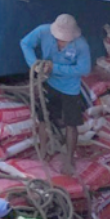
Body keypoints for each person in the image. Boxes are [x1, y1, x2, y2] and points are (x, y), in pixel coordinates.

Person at [20, 14, 91, 174]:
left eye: (65, 40)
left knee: (71, 124)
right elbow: (25, 43)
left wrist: (55, 68)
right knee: (44, 118)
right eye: (59, 38)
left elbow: (84, 69)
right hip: (48, 83)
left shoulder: (81, 45)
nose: (61, 42)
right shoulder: (42, 31)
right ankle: (43, 151)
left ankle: (69, 159)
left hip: (70, 89)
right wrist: (34, 65)